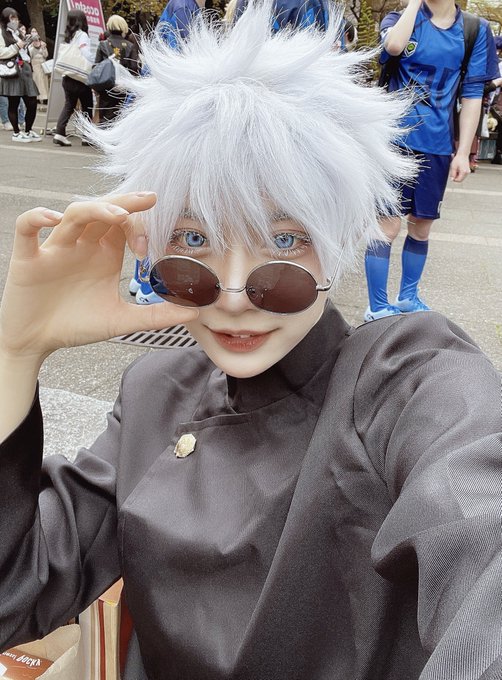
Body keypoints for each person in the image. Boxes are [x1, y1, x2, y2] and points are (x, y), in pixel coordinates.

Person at [1, 5, 501, 679]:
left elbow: (482, 533)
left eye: (284, 240)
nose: (234, 292)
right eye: (194, 239)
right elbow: (14, 592)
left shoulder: (405, 375)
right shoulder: (153, 392)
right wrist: (15, 353)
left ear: (336, 239)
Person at [363, 0, 499, 322]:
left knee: (421, 225)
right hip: (393, 141)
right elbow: (394, 47)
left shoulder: (474, 30)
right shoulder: (398, 19)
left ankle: (408, 297)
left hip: (437, 144)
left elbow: (472, 94)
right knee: (386, 225)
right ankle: (377, 307)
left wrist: (462, 153)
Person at [0, 7, 41, 143]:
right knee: (14, 102)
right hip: (13, 70)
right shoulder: (1, 33)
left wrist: (28, 42)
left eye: (16, 18)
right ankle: (16, 132)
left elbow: (24, 50)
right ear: (5, 19)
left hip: (25, 68)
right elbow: (1, 52)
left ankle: (28, 130)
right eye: (12, 18)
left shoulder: (17, 32)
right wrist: (17, 46)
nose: (15, 21)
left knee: (32, 101)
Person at [53, 9, 94, 147]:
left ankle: (59, 133)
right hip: (80, 77)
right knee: (87, 106)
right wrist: (95, 61)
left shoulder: (69, 35)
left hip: (67, 76)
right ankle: (86, 136)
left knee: (69, 105)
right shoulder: (82, 35)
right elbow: (85, 52)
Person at [94, 15, 139, 124]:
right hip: (123, 87)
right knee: (120, 119)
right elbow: (134, 68)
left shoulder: (103, 45)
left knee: (104, 119)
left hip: (106, 87)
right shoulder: (130, 46)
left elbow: (96, 67)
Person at [27, 28, 49, 104]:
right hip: (35, 66)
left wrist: (43, 48)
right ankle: (37, 98)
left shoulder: (43, 45)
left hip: (42, 65)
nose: (36, 42)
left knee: (44, 82)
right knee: (37, 82)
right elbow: (29, 56)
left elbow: (46, 55)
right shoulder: (30, 46)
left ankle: (45, 98)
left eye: (35, 31)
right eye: (32, 31)